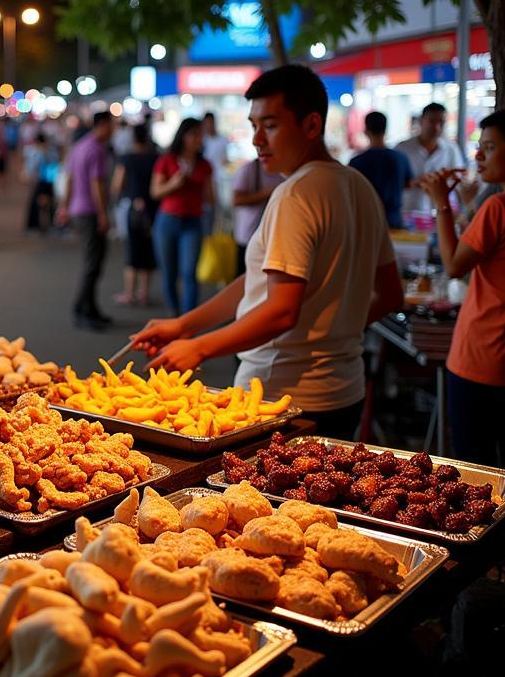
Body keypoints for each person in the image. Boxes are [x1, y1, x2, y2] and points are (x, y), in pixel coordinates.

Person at [133, 65, 404, 439]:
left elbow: (280, 311)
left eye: (271, 125)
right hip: (344, 392)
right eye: (254, 124)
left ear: (311, 126)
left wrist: (198, 348)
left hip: (282, 398)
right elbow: (390, 294)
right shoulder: (359, 187)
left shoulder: (295, 195)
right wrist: (184, 325)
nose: (257, 139)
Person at [420, 110, 505, 467]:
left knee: (478, 472)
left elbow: (455, 265)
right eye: (479, 146)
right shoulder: (492, 206)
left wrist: (442, 202)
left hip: (482, 358)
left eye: (489, 147)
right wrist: (469, 205)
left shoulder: (499, 207)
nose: (478, 156)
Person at [150, 117, 214, 316]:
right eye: (193, 134)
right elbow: (155, 191)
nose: (198, 139)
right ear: (183, 136)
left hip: (193, 222)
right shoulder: (167, 160)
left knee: (189, 272)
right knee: (169, 272)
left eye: (200, 134)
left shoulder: (204, 165)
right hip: (167, 221)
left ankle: (188, 319)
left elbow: (211, 197)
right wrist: (174, 184)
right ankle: (173, 314)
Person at [60, 111, 114, 330]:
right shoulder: (96, 149)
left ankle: (91, 308)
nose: (114, 129)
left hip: (78, 210)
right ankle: (82, 309)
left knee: (93, 262)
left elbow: (69, 179)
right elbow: (96, 184)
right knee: (93, 264)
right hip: (90, 212)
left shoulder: (80, 146)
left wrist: (64, 206)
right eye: (112, 125)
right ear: (102, 124)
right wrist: (103, 214)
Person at [109, 124, 158, 305]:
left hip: (133, 208)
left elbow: (117, 184)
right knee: (148, 250)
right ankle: (144, 293)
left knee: (132, 250)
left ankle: (129, 293)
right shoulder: (155, 158)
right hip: (152, 209)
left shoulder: (127, 158)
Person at [396, 102, 465, 213]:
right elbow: (392, 182)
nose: (436, 127)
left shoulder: (451, 149)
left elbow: (459, 180)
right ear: (421, 121)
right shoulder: (402, 149)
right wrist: (414, 182)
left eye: (441, 123)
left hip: (441, 213)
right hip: (408, 212)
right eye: (431, 121)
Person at [348, 111, 413, 228]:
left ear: (366, 132)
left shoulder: (356, 162)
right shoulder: (400, 158)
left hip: (366, 221)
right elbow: (408, 184)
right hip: (394, 220)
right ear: (385, 130)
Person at [231, 157, 285, 275]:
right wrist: (266, 194)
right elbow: (236, 200)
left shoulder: (284, 170)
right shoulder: (249, 169)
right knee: (244, 277)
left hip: (272, 237)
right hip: (249, 235)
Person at [23, 131, 59, 234]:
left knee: (45, 203)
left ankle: (47, 224)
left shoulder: (39, 152)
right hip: (45, 181)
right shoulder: (44, 152)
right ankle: (44, 225)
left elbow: (31, 167)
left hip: (44, 181)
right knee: (43, 203)